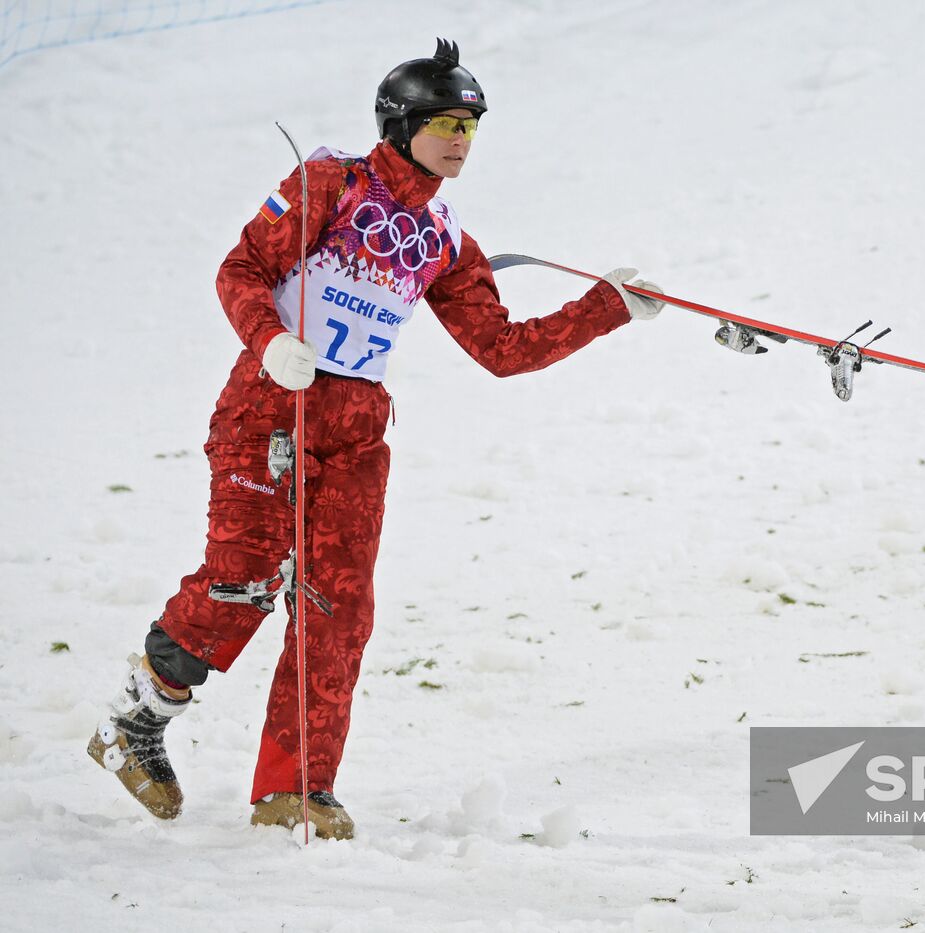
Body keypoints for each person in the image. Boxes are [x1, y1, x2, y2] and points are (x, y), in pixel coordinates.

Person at [87, 39, 666, 840]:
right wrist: (269, 341)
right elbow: (240, 270)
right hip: (271, 409)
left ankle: (296, 789)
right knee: (241, 581)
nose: (461, 139)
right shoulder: (331, 182)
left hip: (357, 433)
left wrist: (607, 305)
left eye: (471, 125)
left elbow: (502, 348)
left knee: (340, 607)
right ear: (401, 125)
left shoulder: (444, 237)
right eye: (446, 123)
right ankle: (135, 719)